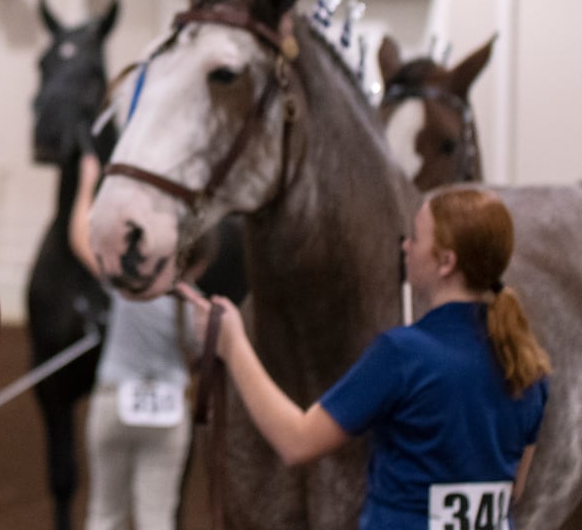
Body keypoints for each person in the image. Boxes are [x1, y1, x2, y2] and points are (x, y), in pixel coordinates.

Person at [177, 187, 550, 530]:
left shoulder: (402, 355)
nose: (406, 246)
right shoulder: (527, 363)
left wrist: (233, 342)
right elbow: (514, 489)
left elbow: (296, 441)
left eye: (417, 237)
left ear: (446, 262)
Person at [69, 152, 207, 530]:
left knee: (104, 512)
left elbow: (80, 237)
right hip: (168, 413)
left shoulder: (130, 282)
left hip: (113, 399)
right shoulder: (199, 309)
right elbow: (200, 359)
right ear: (201, 263)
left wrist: (87, 182)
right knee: (157, 517)